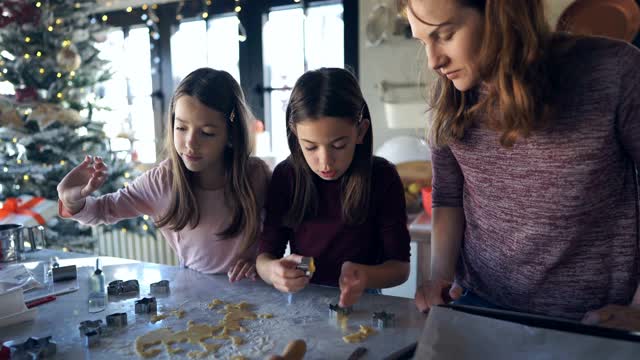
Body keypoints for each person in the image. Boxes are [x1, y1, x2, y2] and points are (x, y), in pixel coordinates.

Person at [402, 0, 640, 330]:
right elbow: (447, 199)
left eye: (445, 34)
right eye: (423, 42)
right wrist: (438, 280)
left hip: (592, 321)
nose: (433, 61)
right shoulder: (450, 98)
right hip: (477, 306)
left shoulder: (615, 71)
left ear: (500, 12)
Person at [57, 68, 270, 281]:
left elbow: (279, 235)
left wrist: (260, 262)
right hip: (196, 296)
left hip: (254, 297)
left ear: (231, 134)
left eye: (206, 133)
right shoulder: (161, 181)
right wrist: (72, 200)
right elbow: (102, 210)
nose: (190, 143)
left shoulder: (256, 175)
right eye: (181, 128)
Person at [255, 68, 411, 307]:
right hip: (303, 298)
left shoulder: (382, 177)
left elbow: (400, 268)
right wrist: (274, 272)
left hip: (363, 300)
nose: (325, 162)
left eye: (338, 145)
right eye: (310, 147)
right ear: (295, 135)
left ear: (360, 132)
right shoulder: (287, 176)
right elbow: (265, 257)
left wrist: (365, 275)